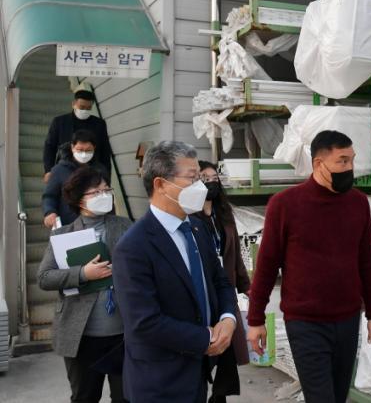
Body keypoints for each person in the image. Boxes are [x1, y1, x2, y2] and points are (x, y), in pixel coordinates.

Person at [247, 130, 371, 403]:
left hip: (347, 319)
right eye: (342, 161)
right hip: (305, 322)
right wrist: (255, 320)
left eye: (352, 160)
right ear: (319, 164)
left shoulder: (357, 203)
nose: (350, 168)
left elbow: (367, 261)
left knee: (338, 396)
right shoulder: (285, 205)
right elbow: (267, 266)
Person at [112, 141, 239, 403]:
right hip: (159, 380)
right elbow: (144, 321)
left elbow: (220, 281)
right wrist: (206, 337)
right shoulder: (133, 246)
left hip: (199, 370)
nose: (201, 187)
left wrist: (228, 319)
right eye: (192, 178)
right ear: (160, 184)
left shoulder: (197, 228)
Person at [38, 166, 132, 403]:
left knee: (127, 397)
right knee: (84, 396)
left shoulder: (126, 226)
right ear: (79, 199)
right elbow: (44, 277)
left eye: (107, 190)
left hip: (123, 334)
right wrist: (82, 273)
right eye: (96, 192)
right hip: (81, 336)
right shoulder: (63, 235)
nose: (104, 195)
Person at [192, 161, 251, 402]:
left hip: (225, 291)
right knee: (206, 347)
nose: (210, 182)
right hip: (202, 292)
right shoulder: (189, 218)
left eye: (214, 178)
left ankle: (219, 396)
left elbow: (236, 257)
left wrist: (247, 287)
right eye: (204, 178)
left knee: (228, 350)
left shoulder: (225, 216)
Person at [43, 129, 109, 228]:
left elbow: (107, 194)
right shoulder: (59, 170)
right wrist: (49, 212)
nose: (84, 154)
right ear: (72, 147)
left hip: (98, 223)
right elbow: (49, 196)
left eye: (88, 150)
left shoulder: (100, 170)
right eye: (80, 150)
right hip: (69, 224)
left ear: (94, 148)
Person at [43, 90, 112, 182]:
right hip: (65, 169)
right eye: (82, 107)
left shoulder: (99, 124)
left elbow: (105, 151)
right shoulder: (60, 122)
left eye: (88, 108)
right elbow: (50, 147)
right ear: (74, 104)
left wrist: (106, 177)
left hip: (91, 170)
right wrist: (48, 170)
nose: (85, 111)